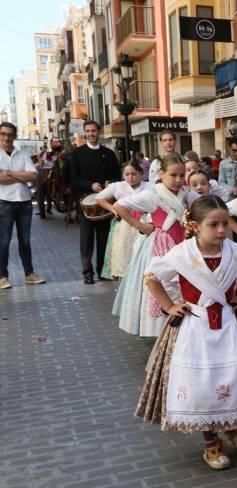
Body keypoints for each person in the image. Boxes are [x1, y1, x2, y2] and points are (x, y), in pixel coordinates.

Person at [144, 195, 237, 470]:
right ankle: (210, 441)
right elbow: (152, 278)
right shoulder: (182, 254)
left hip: (228, 324)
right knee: (202, 383)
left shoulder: (235, 252)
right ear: (196, 225)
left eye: (225, 223)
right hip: (196, 328)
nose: (222, 230)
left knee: (233, 376)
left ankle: (230, 421)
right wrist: (169, 305)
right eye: (214, 225)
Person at [111, 154, 192, 338]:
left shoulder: (186, 193)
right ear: (162, 174)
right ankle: (161, 328)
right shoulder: (153, 194)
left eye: (182, 175)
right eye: (173, 175)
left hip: (183, 244)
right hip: (161, 244)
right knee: (161, 281)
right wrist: (140, 226)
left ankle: (183, 322)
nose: (179, 180)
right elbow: (119, 205)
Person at [69, 120, 121, 285]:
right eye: (88, 131)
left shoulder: (109, 154)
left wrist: (110, 184)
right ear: (84, 133)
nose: (91, 134)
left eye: (94, 130)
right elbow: (72, 178)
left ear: (99, 132)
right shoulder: (77, 154)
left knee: (104, 239)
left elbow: (117, 175)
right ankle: (87, 272)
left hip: (105, 203)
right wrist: (90, 185)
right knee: (87, 239)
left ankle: (102, 271)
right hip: (85, 204)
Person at [0, 121, 44, 290]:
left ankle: (29, 274)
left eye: (10, 134)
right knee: (3, 241)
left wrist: (8, 173)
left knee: (25, 240)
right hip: (4, 201)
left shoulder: (22, 153)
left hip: (24, 201)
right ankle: (2, 276)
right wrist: (21, 176)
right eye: (3, 134)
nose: (6, 137)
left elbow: (33, 176)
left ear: (14, 136)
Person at [96, 160, 147, 279]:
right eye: (127, 174)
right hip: (125, 225)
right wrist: (113, 209)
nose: (131, 177)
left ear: (141, 173)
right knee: (124, 252)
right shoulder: (117, 186)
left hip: (142, 223)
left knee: (141, 253)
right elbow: (99, 198)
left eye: (134, 174)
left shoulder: (149, 186)